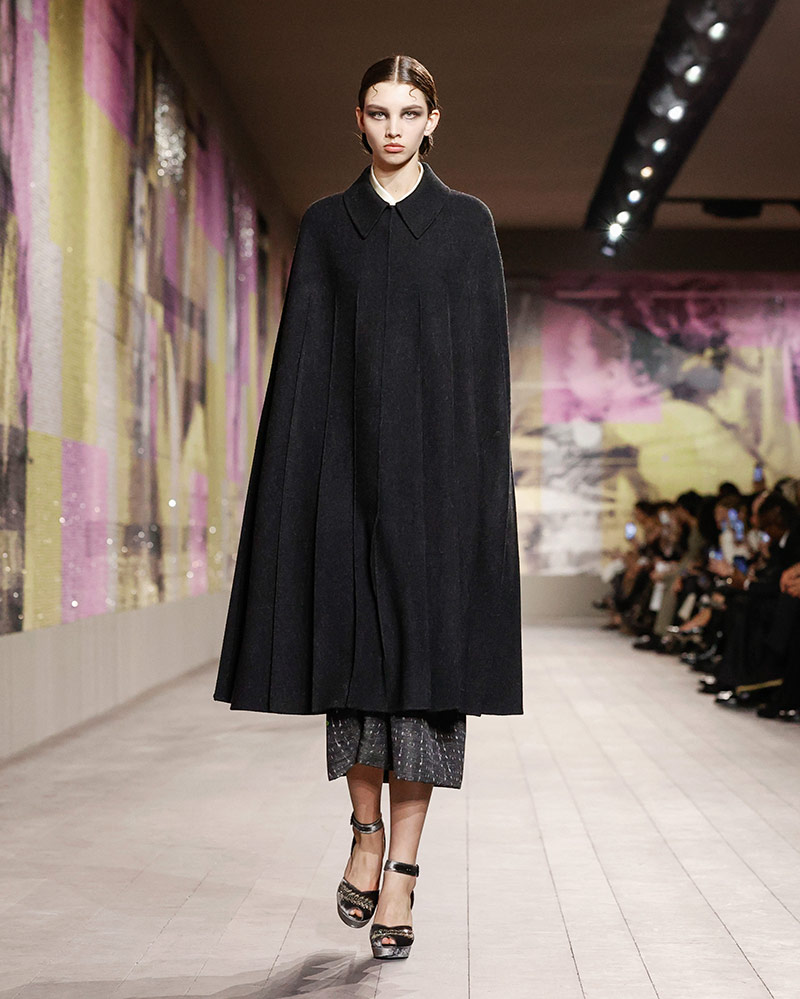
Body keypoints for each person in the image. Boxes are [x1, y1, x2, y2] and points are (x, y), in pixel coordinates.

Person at [213, 54, 523, 960]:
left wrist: (478, 501)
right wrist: (295, 489)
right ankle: (364, 833)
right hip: (344, 482)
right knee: (352, 674)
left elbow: (485, 377)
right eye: (380, 112)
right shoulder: (326, 226)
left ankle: (404, 874)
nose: (394, 127)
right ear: (358, 119)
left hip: (437, 491)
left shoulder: (467, 226)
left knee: (426, 688)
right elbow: (300, 368)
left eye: (410, 112)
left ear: (434, 121)